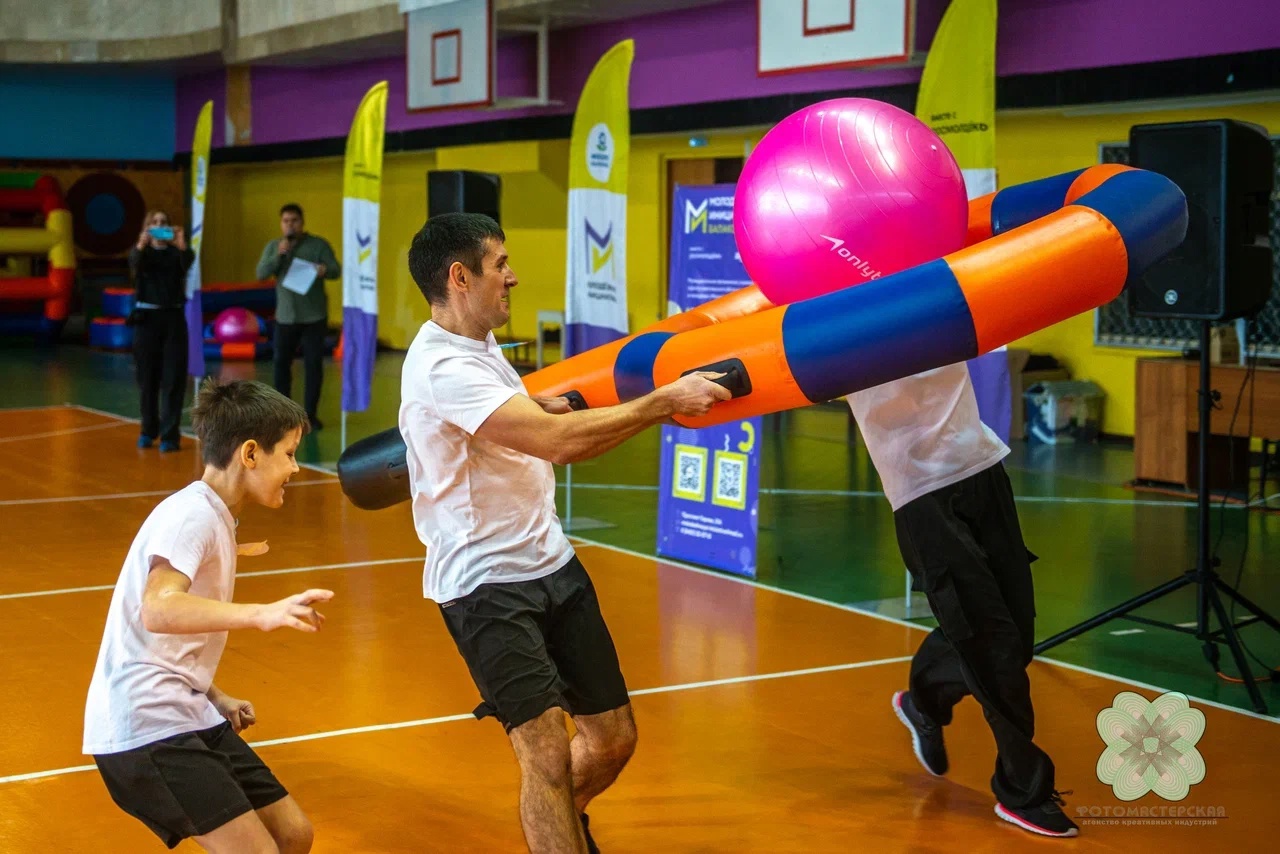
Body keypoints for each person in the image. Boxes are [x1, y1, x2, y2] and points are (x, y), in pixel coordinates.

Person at [398, 212, 731, 853]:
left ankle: (550, 823)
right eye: (501, 265)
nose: (513, 277)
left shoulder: (478, 343)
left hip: (551, 562)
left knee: (612, 738)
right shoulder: (441, 366)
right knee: (546, 755)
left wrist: (525, 405)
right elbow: (558, 447)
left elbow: (514, 422)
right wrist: (663, 401)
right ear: (460, 277)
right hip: (485, 584)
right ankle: (550, 821)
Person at [83, 379, 333, 853]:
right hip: (145, 725)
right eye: (289, 454)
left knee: (292, 834)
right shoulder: (191, 516)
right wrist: (261, 613)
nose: (296, 468)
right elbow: (158, 608)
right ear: (251, 453)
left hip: (186, 708)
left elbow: (163, 636)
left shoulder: (215, 515)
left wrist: (213, 693)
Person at [845, 363, 1078, 839]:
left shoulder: (926, 289)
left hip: (980, 462)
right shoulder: (831, 307)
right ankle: (1023, 790)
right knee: (992, 644)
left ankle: (924, 700)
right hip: (920, 493)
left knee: (1014, 634)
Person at [255, 203, 340, 430]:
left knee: (313, 366)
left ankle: (310, 415)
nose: (290, 225)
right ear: (281, 224)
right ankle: (283, 415)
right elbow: (261, 274)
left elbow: (336, 270)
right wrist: (279, 256)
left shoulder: (317, 245)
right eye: (286, 221)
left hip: (314, 317)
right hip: (285, 317)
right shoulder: (275, 247)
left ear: (302, 222)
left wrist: (324, 270)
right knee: (281, 365)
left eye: (294, 220)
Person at [129, 210, 194, 452]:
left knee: (173, 379)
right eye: (154, 223)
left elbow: (187, 262)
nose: (159, 226)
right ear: (147, 228)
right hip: (147, 319)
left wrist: (181, 244)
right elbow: (134, 264)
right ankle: (148, 430)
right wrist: (141, 244)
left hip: (173, 318)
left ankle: (170, 435)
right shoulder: (142, 254)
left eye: (163, 223)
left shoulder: (177, 254)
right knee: (147, 380)